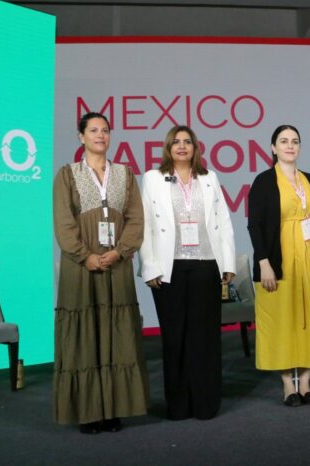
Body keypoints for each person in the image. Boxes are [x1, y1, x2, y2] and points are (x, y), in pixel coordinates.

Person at [53, 112, 149, 434]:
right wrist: (86, 257)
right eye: (93, 130)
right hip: (81, 268)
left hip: (116, 264)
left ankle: (114, 410)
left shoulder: (124, 174)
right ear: (81, 136)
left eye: (105, 130)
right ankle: (88, 413)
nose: (100, 135)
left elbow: (136, 219)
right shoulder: (67, 174)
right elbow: (64, 224)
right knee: (85, 335)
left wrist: (120, 251)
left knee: (117, 335)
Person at [139, 125, 236, 419]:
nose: (182, 146)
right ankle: (179, 405)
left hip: (206, 264)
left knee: (205, 338)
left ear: (195, 148)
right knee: (174, 338)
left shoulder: (209, 178)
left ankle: (206, 403)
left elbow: (223, 221)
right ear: (168, 147)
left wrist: (228, 264)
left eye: (187, 142)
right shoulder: (153, 178)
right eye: (176, 142)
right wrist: (149, 266)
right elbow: (144, 224)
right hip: (169, 268)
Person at [248, 124, 310, 407]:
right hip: (279, 262)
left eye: (295, 141)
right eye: (284, 141)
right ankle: (288, 385)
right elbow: (255, 226)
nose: (290, 146)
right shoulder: (264, 181)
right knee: (282, 322)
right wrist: (264, 263)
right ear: (273, 148)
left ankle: (306, 384)